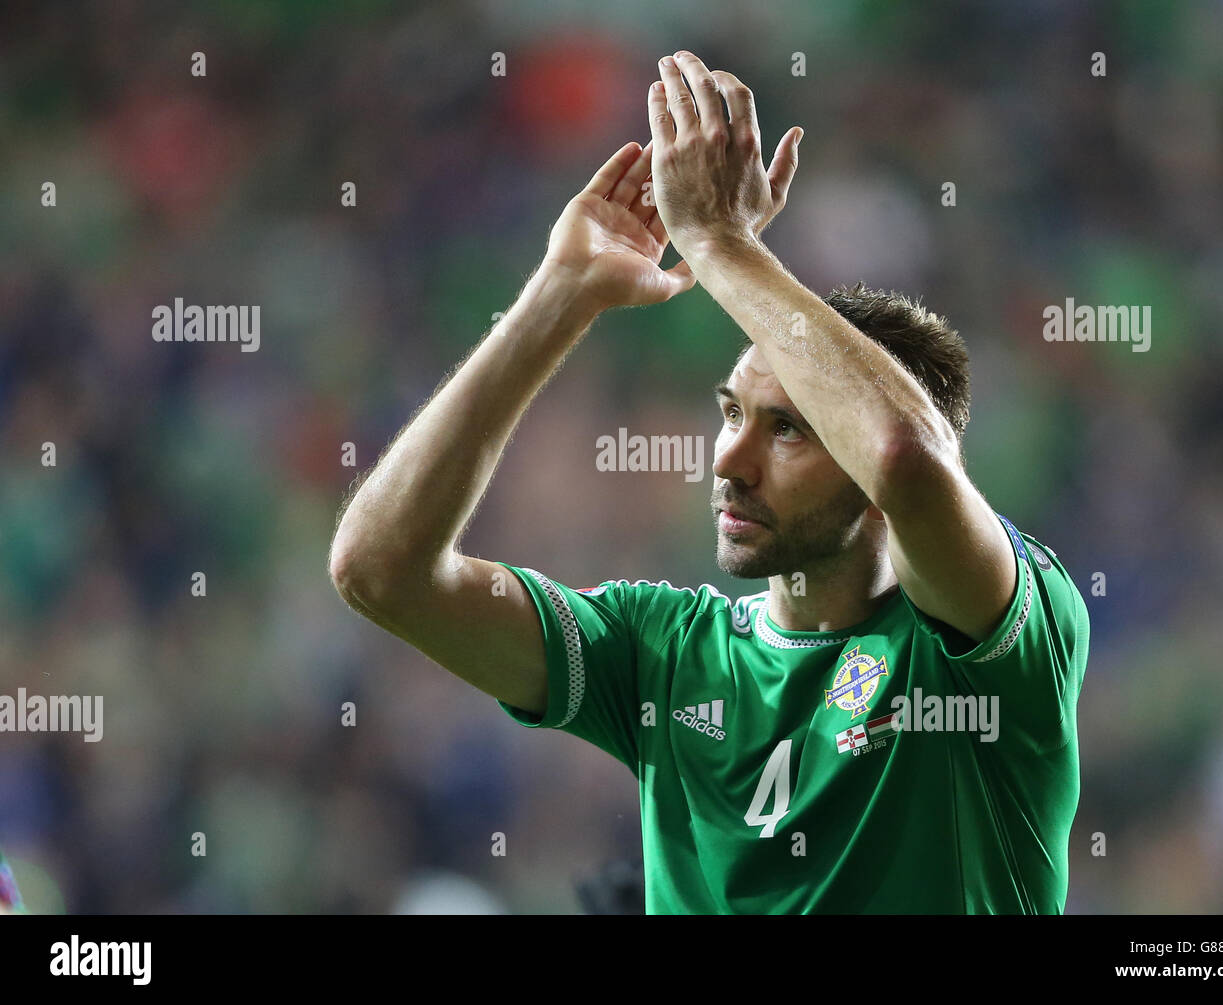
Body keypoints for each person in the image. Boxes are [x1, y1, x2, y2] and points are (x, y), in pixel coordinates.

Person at [330, 50, 1088, 913]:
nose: (728, 460)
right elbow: (380, 569)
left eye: (788, 429)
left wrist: (719, 243)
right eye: (731, 413)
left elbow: (905, 457)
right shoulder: (661, 653)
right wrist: (562, 292)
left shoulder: (988, 646)